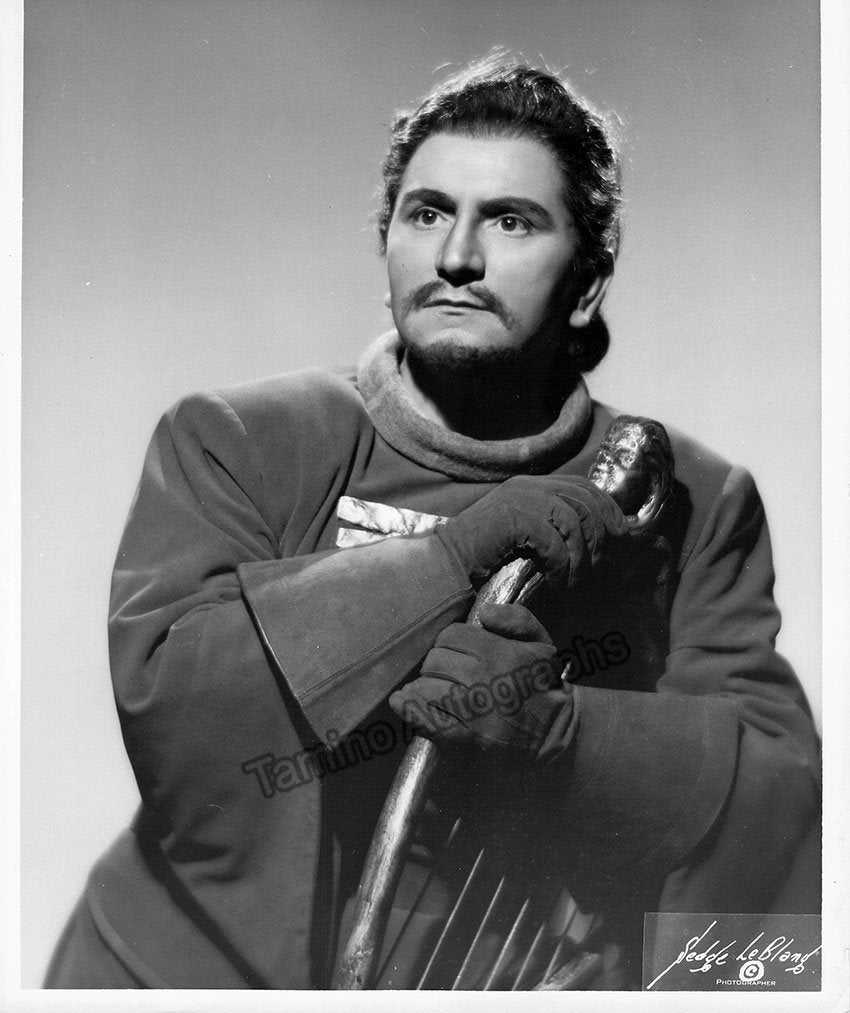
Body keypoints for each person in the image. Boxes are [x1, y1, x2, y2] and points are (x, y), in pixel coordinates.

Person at [45, 56, 820, 990]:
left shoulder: (695, 496)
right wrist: (446, 560)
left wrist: (560, 735)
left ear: (586, 285)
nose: (457, 256)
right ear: (388, 253)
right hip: (178, 977)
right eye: (426, 214)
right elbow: (175, 711)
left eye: (510, 220)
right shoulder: (238, 438)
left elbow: (779, 797)